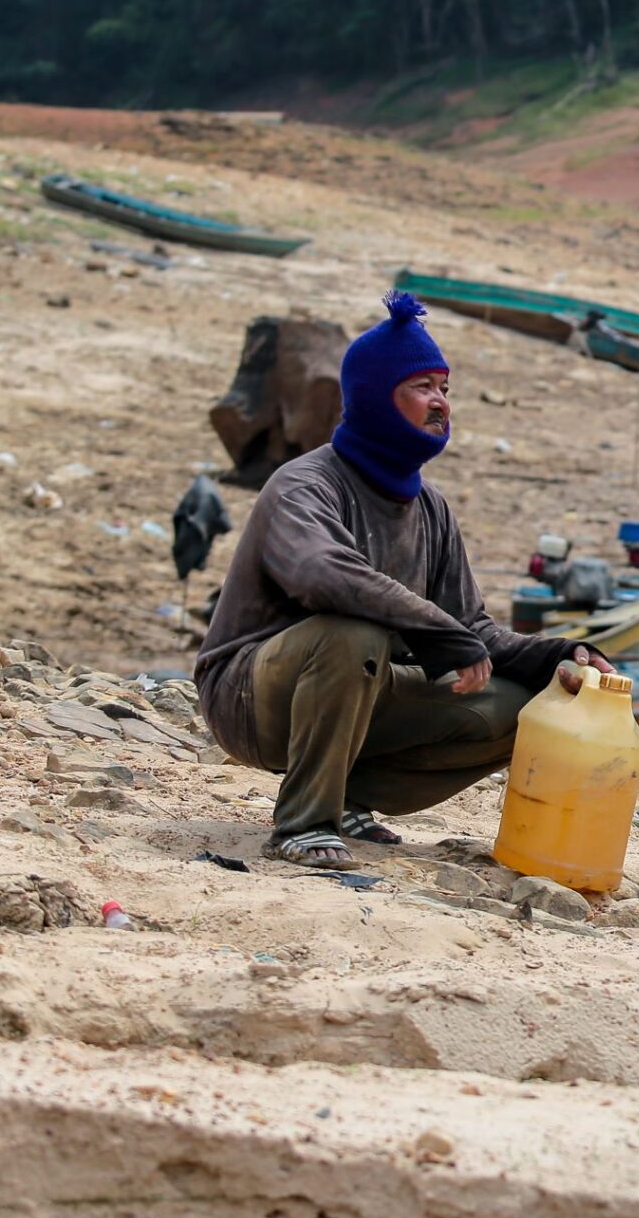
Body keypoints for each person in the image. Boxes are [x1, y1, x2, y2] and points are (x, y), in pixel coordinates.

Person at [195, 292, 607, 869]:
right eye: (422, 388)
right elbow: (323, 575)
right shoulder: (306, 484)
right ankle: (303, 824)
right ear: (375, 398)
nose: (440, 402)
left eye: (445, 388)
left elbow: (472, 630)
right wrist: (438, 632)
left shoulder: (431, 509)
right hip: (249, 698)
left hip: (361, 689)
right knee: (350, 634)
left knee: (526, 705)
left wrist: (559, 656)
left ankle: (348, 796)